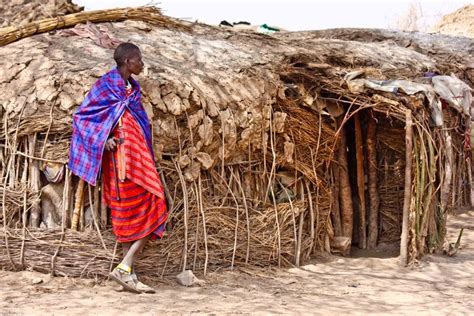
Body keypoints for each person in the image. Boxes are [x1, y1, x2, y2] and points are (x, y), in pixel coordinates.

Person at [69, 42, 168, 293]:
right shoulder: (106, 86)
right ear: (128, 62)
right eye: (139, 60)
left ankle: (126, 270)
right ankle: (126, 271)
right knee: (130, 212)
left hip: (138, 156)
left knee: (152, 205)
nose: (142, 64)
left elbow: (138, 122)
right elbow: (82, 118)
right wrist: (105, 139)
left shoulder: (132, 90)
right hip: (119, 160)